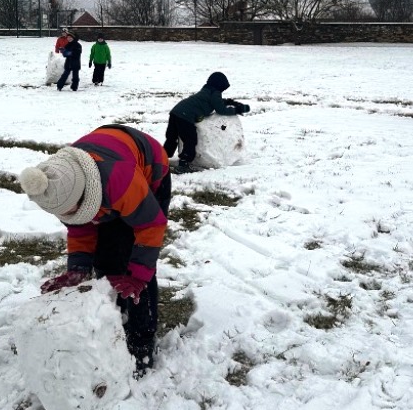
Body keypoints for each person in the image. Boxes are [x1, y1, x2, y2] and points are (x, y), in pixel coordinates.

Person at [19, 125, 171, 375]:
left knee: (135, 263)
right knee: (107, 257)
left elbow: (150, 225)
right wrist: (78, 267)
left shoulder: (121, 180)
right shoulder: (57, 188)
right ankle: (112, 320)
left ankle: (141, 342)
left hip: (149, 170)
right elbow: (80, 228)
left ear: (83, 194)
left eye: (73, 210)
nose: (69, 216)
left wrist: (138, 275)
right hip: (108, 182)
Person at [164, 71, 250, 172]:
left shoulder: (207, 91)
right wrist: (237, 110)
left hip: (176, 112)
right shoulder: (215, 93)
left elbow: (215, 102)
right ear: (219, 85)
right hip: (185, 117)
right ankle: (183, 164)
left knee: (171, 139)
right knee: (190, 140)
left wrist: (228, 102)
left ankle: (160, 159)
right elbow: (221, 109)